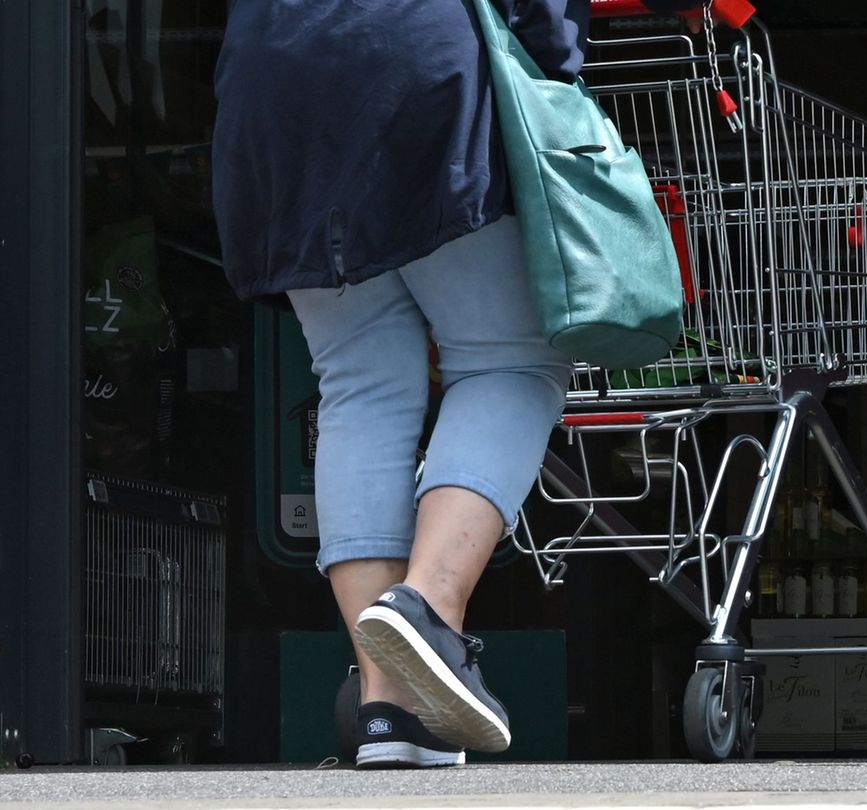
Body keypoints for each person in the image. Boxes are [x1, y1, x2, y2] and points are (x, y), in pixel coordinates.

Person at [210, 0, 634, 769]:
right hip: (414, 65)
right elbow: (545, 20)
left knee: (360, 384)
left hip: (273, 88)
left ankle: (390, 710)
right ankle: (430, 605)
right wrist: (555, 75)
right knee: (508, 360)